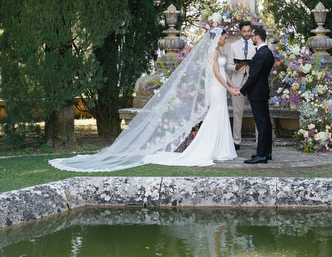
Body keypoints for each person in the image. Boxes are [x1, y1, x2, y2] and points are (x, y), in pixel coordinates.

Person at [49, 28, 239, 171]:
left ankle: (222, 149)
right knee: (216, 115)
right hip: (216, 88)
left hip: (222, 88)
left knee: (220, 115)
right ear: (217, 38)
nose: (225, 38)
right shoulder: (212, 53)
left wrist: (233, 86)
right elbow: (216, 74)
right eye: (224, 36)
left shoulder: (221, 53)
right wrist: (229, 88)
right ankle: (212, 149)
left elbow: (225, 72)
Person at [240, 26, 274, 164]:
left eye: (252, 35)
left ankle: (261, 155)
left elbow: (253, 76)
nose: (251, 37)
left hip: (257, 93)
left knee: (261, 124)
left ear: (257, 37)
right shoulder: (268, 52)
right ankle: (266, 153)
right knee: (266, 123)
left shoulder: (261, 54)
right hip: (262, 92)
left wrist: (242, 90)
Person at [226, 21, 256, 149]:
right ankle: (236, 141)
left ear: (251, 30)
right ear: (240, 31)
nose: (246, 33)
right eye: (244, 31)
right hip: (238, 82)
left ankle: (259, 142)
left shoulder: (256, 44)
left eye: (248, 31)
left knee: (257, 112)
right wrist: (236, 67)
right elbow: (228, 65)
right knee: (237, 112)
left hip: (253, 81)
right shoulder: (233, 45)